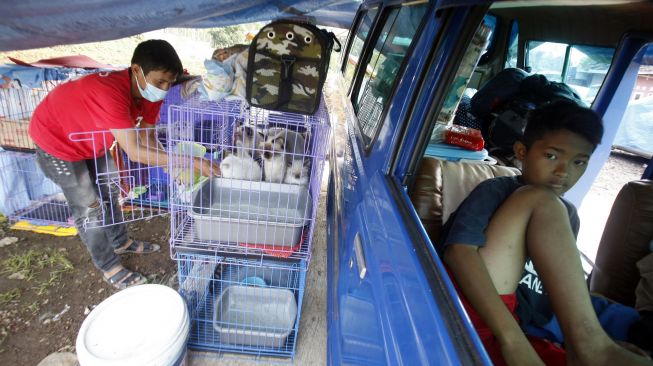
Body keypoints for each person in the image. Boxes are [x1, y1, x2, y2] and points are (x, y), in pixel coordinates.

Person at [439, 100, 652, 365]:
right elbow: (458, 252)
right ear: (521, 152)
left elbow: (553, 293)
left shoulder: (567, 216)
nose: (564, 172)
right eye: (551, 156)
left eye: (579, 162)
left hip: (523, 327)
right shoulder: (498, 190)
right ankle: (590, 344)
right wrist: (513, 341)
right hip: (472, 313)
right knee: (538, 198)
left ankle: (587, 344)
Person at [29, 40, 220, 290]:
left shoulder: (148, 93)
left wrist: (174, 167)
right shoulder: (110, 92)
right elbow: (135, 151)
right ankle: (109, 266)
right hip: (57, 143)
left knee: (110, 191)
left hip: (91, 141)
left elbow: (147, 139)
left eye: (169, 83)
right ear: (136, 70)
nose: (164, 89)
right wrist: (190, 161)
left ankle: (119, 241)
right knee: (89, 206)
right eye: (160, 82)